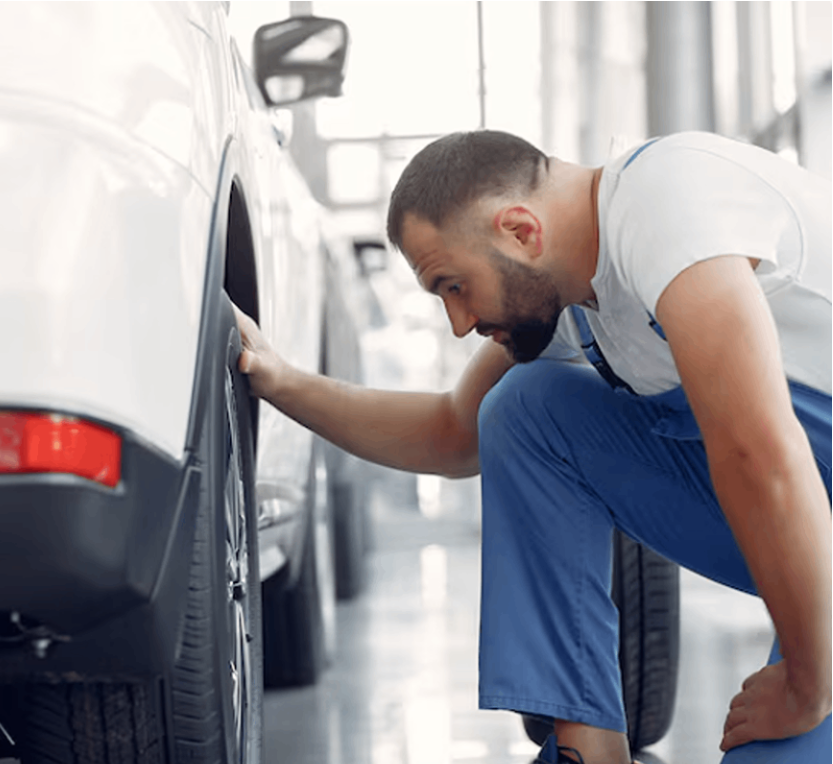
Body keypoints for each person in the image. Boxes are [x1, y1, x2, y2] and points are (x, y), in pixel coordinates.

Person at [232, 130, 831, 764]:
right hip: (804, 514)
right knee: (525, 408)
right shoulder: (575, 300)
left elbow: (756, 452)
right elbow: (452, 432)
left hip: (792, 491)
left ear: (521, 231)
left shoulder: (667, 201)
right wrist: (281, 380)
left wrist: (809, 683)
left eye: (454, 286)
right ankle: (587, 750)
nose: (459, 323)